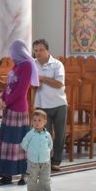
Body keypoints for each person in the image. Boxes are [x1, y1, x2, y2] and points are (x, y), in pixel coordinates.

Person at [0, 39, 38, 185]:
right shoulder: (17, 65)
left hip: (18, 109)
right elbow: (9, 86)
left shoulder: (27, 65)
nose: (11, 55)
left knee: (19, 141)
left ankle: (24, 174)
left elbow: (21, 90)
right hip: (9, 109)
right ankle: (7, 173)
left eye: (12, 51)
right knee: (7, 140)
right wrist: (2, 99)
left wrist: (7, 102)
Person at [32, 39, 67, 172]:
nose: (38, 53)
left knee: (59, 134)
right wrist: (34, 84)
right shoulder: (33, 64)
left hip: (59, 103)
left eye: (41, 50)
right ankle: (44, 160)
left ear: (47, 50)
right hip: (41, 104)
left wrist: (42, 78)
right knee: (42, 135)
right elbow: (31, 83)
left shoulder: (57, 64)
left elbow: (59, 83)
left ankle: (56, 161)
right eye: (36, 50)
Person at [21, 109, 54, 191]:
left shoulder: (47, 135)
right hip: (33, 161)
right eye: (34, 120)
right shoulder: (30, 134)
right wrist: (30, 151)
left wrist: (47, 152)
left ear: (45, 122)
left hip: (45, 161)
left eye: (39, 120)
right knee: (32, 177)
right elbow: (24, 144)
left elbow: (50, 145)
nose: (37, 122)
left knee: (45, 178)